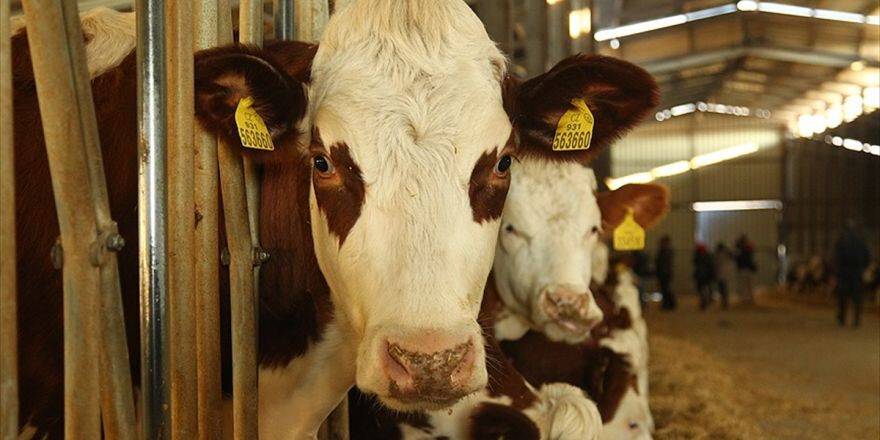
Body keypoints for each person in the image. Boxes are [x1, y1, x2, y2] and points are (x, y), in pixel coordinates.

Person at [834, 221, 871, 328]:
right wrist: (863, 268)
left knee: (843, 297)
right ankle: (857, 319)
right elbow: (867, 257)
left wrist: (838, 272)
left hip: (844, 273)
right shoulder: (861, 241)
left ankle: (842, 319)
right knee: (857, 297)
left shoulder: (841, 241)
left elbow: (838, 259)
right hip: (857, 273)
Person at [734, 234, 758, 303]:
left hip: (746, 269)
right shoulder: (740, 249)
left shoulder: (745, 249)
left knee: (747, 285)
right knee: (745, 285)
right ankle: (746, 298)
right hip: (744, 269)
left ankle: (748, 298)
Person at [655, 235, 676, 310]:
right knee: (665, 289)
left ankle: (668, 304)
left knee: (666, 289)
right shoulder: (666, 251)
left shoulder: (665, 252)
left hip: (664, 273)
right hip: (664, 273)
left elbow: (662, 263)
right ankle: (669, 303)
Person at [693, 243, 716, 311]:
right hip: (701, 276)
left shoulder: (705, 257)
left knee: (705, 290)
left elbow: (711, 267)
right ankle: (704, 302)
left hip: (705, 276)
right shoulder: (699, 257)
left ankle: (705, 301)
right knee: (702, 290)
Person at [714, 242, 735, 309]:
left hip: (721, 274)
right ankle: (725, 302)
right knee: (724, 289)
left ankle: (724, 302)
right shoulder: (727, 254)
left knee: (722, 289)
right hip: (723, 274)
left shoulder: (718, 254)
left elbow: (716, 264)